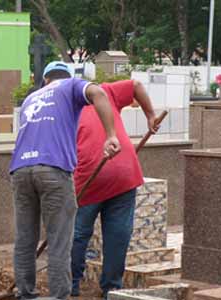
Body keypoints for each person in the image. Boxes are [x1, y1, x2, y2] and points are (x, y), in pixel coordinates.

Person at [9, 61, 120, 299]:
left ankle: (25, 293)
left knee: (25, 239)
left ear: (45, 80)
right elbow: (99, 92)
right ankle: (59, 296)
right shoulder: (70, 85)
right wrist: (111, 135)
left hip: (20, 170)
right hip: (53, 169)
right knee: (59, 240)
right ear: (65, 77)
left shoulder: (30, 98)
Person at [71, 79, 159, 299]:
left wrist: (151, 115)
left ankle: (70, 285)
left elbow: (136, 85)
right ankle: (111, 289)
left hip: (93, 180)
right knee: (115, 233)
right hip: (116, 174)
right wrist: (149, 114)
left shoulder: (70, 104)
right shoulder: (104, 92)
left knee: (77, 235)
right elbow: (136, 85)